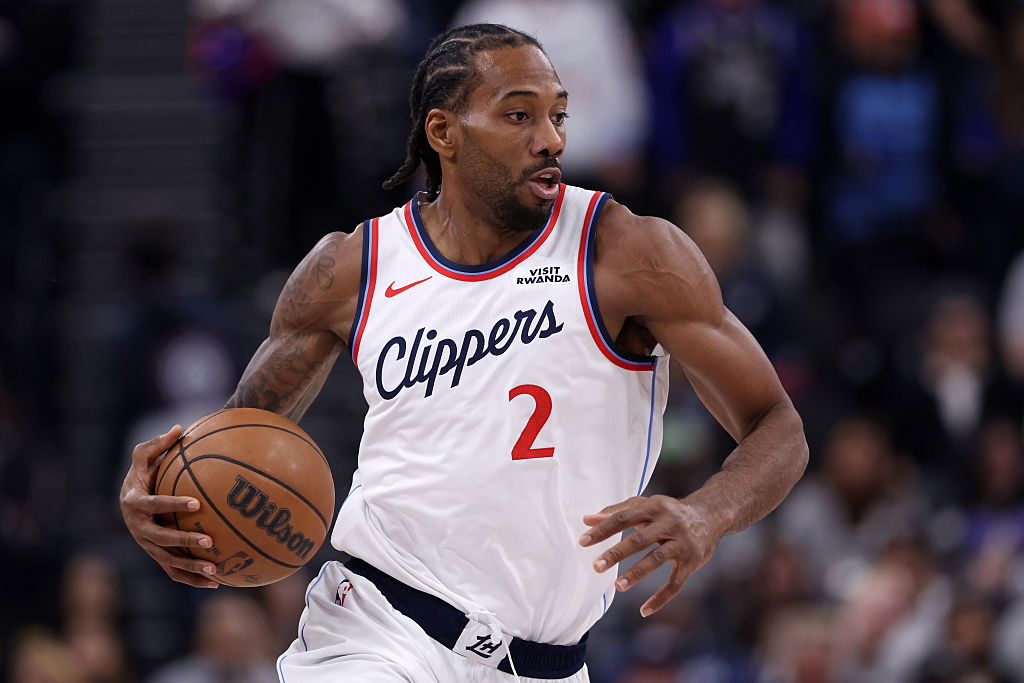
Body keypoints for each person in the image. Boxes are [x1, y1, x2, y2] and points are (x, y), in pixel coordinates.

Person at [119, 24, 808, 683]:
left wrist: (707, 512)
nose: (549, 139)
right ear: (443, 132)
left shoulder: (625, 252)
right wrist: (168, 504)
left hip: (550, 659)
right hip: (377, 630)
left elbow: (779, 427)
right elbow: (237, 448)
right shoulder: (352, 269)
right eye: (518, 116)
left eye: (559, 116)